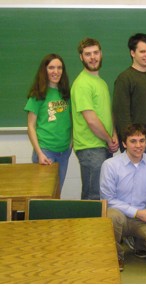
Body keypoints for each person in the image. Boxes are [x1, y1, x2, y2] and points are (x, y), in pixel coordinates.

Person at [100, 124, 146, 272]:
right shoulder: (110, 165)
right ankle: (116, 255)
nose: (138, 145)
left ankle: (137, 243)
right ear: (124, 143)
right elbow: (108, 199)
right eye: (133, 141)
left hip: (143, 217)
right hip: (120, 216)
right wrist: (137, 212)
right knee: (112, 216)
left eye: (142, 140)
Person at [71, 37, 119, 200]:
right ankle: (88, 226)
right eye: (88, 54)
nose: (93, 57)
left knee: (104, 196)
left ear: (101, 53)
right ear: (81, 57)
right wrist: (108, 139)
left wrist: (114, 135)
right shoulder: (82, 83)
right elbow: (91, 119)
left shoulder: (100, 82)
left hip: (102, 145)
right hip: (90, 148)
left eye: (96, 53)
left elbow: (106, 112)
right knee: (93, 197)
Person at [24, 54, 72, 192]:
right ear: (44, 70)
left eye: (59, 68)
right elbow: (31, 127)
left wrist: (70, 143)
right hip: (46, 152)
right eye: (51, 67)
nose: (55, 71)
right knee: (44, 195)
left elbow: (72, 119)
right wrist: (39, 153)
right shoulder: (38, 94)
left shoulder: (66, 94)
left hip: (64, 152)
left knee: (57, 192)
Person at [113, 33, 146, 157]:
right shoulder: (124, 78)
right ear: (132, 53)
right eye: (142, 51)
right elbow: (122, 115)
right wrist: (132, 141)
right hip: (135, 140)